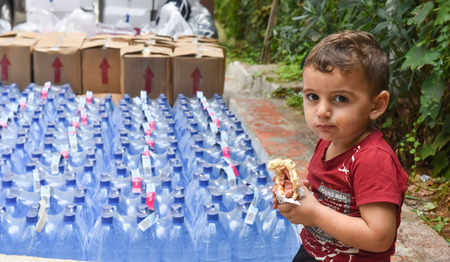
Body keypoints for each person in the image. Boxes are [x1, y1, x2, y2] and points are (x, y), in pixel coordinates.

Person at [272, 30, 409, 261]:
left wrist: (314, 213)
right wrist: (296, 197)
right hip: (314, 249)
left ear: (376, 105)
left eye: (340, 98)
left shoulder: (372, 160)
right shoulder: (328, 143)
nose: (322, 111)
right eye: (313, 96)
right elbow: (326, 197)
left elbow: (379, 237)